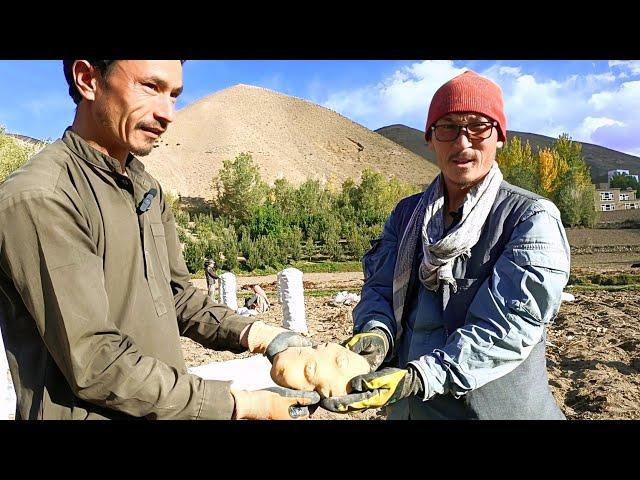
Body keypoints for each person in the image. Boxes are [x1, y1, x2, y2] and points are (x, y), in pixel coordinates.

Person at [0, 60, 318, 420]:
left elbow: (176, 296)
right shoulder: (43, 197)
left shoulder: (145, 187)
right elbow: (95, 362)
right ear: (88, 79)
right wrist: (241, 404)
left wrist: (260, 335)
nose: (168, 114)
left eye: (174, 95)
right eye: (150, 87)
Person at [321, 70, 570, 419]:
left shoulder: (529, 218)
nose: (463, 142)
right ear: (431, 138)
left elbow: (506, 328)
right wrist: (376, 333)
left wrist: (420, 377)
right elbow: (378, 289)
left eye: (478, 126)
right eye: (448, 127)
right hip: (408, 410)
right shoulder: (407, 214)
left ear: (499, 136)